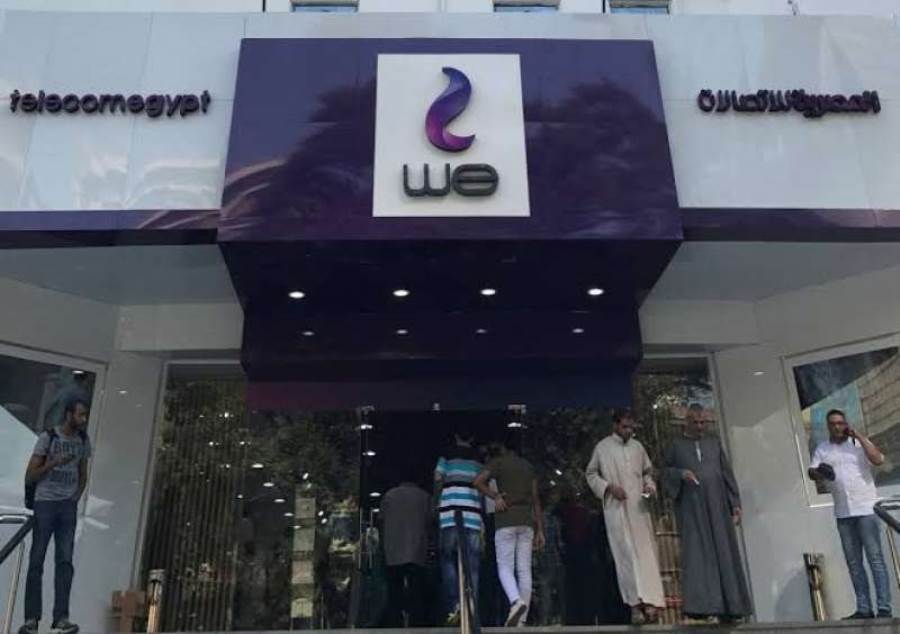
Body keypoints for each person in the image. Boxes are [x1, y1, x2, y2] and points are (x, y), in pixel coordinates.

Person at [661, 403, 752, 623]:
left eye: (703, 423)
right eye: (696, 422)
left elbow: (726, 473)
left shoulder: (714, 444)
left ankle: (732, 608)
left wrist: (735, 502)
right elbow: (663, 472)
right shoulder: (676, 446)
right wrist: (680, 474)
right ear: (687, 422)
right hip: (693, 512)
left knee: (724, 553)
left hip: (718, 509)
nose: (700, 426)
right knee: (698, 557)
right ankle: (705, 608)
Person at [808, 409, 892, 619]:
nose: (837, 427)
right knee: (854, 564)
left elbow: (878, 460)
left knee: (875, 560)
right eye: (833, 424)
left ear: (846, 424)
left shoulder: (858, 445)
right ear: (828, 426)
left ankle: (884, 608)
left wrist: (860, 436)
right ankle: (864, 608)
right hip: (844, 513)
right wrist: (819, 473)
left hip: (866, 510)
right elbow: (813, 472)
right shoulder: (823, 449)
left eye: (840, 423)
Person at [586, 409, 665, 625]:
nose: (628, 431)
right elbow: (591, 474)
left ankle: (651, 603)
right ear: (615, 426)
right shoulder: (602, 448)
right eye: (624, 427)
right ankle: (634, 605)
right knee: (626, 556)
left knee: (646, 554)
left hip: (639, 509)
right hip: (617, 509)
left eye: (631, 427)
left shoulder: (638, 447)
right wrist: (609, 487)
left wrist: (649, 487)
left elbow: (648, 472)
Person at [20, 396, 92, 634]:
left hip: (67, 506)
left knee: (65, 561)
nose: (83, 419)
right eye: (80, 414)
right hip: (45, 503)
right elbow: (30, 475)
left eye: (85, 415)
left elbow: (83, 472)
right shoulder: (48, 438)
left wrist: (75, 497)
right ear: (69, 414)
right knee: (37, 560)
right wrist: (52, 463)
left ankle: (61, 617)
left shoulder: (83, 440)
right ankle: (31, 618)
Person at [474, 432, 545, 627]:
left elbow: (478, 481)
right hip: (526, 521)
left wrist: (495, 496)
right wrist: (540, 529)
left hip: (505, 520)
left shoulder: (498, 463)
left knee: (505, 567)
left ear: (503, 447)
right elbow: (536, 500)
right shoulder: (528, 467)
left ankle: (515, 601)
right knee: (524, 570)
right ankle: (521, 621)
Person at [434, 430, 484, 625]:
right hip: (472, 517)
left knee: (447, 559)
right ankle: (471, 606)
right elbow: (482, 491)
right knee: (473, 565)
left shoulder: (446, 457)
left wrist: (436, 502)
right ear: (472, 438)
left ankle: (455, 604)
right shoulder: (478, 462)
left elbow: (437, 478)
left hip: (449, 515)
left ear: (455, 437)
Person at [380, 474, 432, 626]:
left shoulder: (389, 495)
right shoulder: (424, 497)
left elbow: (381, 519)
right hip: (417, 549)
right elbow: (431, 520)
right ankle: (417, 621)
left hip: (393, 549)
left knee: (394, 589)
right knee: (417, 588)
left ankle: (394, 621)